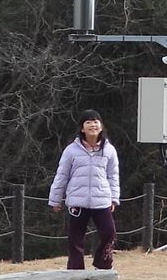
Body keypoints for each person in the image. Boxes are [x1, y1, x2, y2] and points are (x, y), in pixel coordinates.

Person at [48, 109, 120, 271]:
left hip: (101, 200)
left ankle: (103, 265)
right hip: (77, 202)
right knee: (75, 238)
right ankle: (75, 270)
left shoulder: (109, 150)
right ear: (82, 128)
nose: (92, 125)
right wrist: (55, 199)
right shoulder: (71, 150)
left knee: (109, 233)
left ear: (101, 126)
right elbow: (62, 175)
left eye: (95, 121)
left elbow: (113, 176)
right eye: (88, 122)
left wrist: (114, 198)